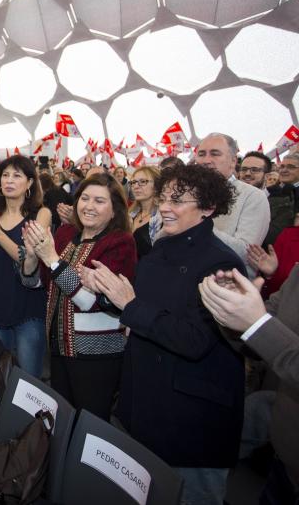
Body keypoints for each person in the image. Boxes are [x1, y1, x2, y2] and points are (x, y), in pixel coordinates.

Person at [83, 164, 245, 505]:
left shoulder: (220, 264)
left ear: (208, 208)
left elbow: (193, 341)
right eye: (165, 198)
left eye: (179, 200)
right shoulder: (159, 252)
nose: (166, 207)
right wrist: (107, 293)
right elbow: (137, 310)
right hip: (144, 406)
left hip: (190, 421)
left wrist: (129, 304)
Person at [24, 173, 135, 419]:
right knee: (62, 421)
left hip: (96, 355)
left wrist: (52, 259)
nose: (89, 206)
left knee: (90, 424)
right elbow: (38, 283)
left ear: (115, 210)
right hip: (58, 347)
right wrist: (33, 257)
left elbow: (90, 302)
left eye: (99, 201)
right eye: (84, 198)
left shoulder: (120, 242)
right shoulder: (65, 235)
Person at [200, 265, 299, 504]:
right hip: (285, 463)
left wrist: (256, 324)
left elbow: (264, 329)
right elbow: (262, 336)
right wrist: (233, 309)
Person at [0, 156, 51, 376]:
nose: (9, 180)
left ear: (30, 183)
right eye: (5, 175)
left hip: (28, 308)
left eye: (17, 175)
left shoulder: (41, 214)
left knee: (29, 380)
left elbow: (29, 259)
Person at [195, 133, 270, 275]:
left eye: (215, 154)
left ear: (233, 161)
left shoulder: (253, 197)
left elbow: (246, 254)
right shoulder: (187, 193)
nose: (206, 160)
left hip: (229, 287)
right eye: (201, 154)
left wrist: (195, 225)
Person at [128, 166, 161, 259]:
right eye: (133, 182)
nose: (136, 186)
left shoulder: (163, 217)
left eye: (143, 182)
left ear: (156, 186)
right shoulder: (130, 214)